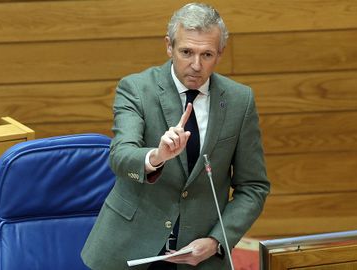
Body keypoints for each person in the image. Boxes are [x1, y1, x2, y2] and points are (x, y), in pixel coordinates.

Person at [81, 3, 270, 269]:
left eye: (207, 55)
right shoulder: (136, 89)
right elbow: (120, 156)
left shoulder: (240, 101)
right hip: (130, 248)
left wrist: (217, 241)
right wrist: (157, 157)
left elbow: (253, 187)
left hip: (199, 254)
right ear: (169, 46)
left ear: (220, 53)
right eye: (186, 52)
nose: (196, 65)